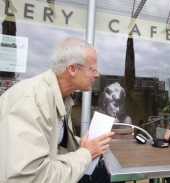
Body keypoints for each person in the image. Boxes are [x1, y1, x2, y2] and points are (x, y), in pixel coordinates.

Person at [0, 37, 115, 183]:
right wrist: (86, 152)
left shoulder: (60, 97)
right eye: (93, 69)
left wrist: (83, 144)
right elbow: (31, 177)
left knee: (106, 175)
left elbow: (53, 142)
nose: (97, 74)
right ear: (72, 69)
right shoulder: (32, 101)